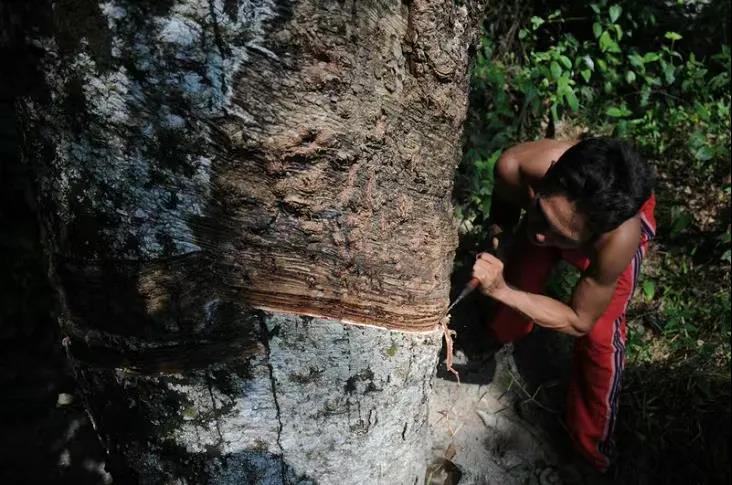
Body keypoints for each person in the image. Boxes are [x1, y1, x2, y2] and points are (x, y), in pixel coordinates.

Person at [471, 137, 656, 471]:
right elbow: (505, 218)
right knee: (523, 271)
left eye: (561, 237)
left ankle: (590, 449)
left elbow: (579, 320)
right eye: (542, 215)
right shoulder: (516, 168)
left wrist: (502, 290)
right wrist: (501, 242)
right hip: (564, 210)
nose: (541, 237)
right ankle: (499, 333)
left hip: (609, 238)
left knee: (601, 333)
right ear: (551, 174)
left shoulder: (618, 239)